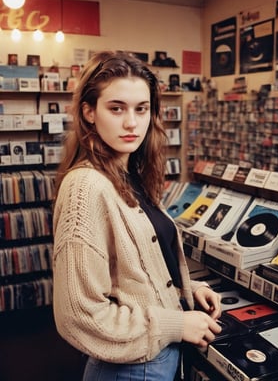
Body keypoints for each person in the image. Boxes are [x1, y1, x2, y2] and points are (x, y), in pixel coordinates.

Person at [52, 50, 222, 381]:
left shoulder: (128, 173)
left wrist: (185, 290)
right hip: (130, 369)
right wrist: (175, 323)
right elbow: (78, 315)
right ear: (89, 112)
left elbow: (131, 274)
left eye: (141, 109)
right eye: (116, 108)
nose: (132, 122)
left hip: (155, 359)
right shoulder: (86, 186)